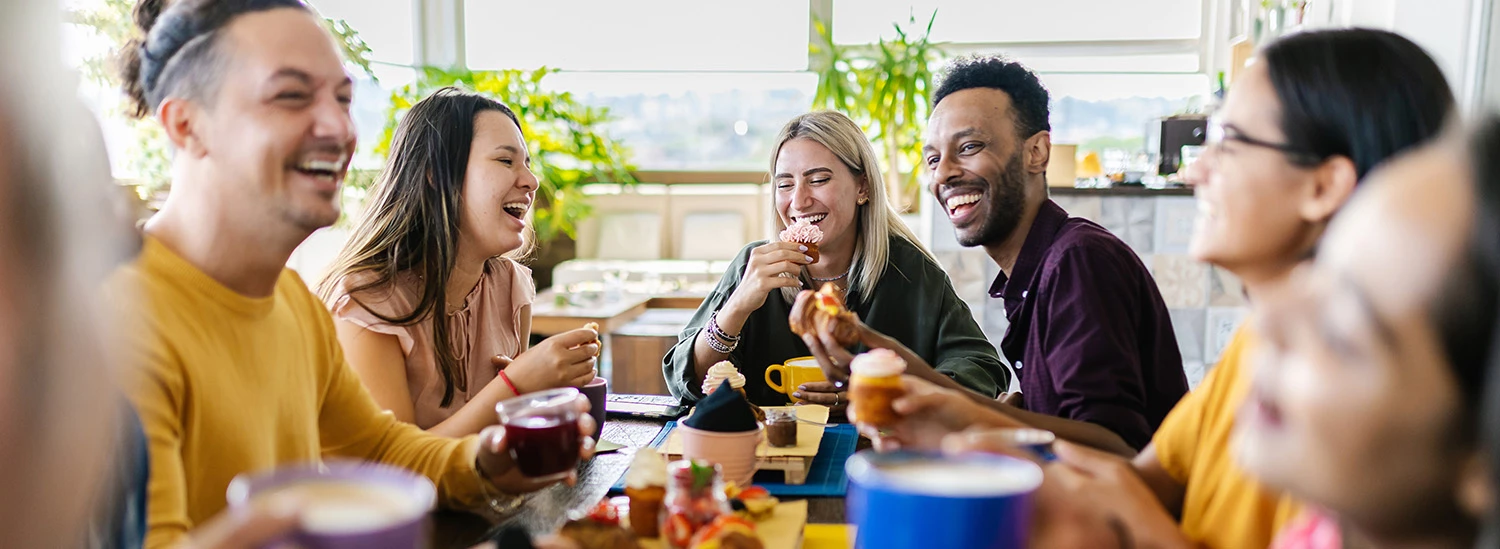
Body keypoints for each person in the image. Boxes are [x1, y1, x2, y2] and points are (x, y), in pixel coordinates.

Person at [849, 29, 1458, 548]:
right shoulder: (1250, 353)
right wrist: (972, 431)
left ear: (1323, 186)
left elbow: (1120, 473)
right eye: (932, 156)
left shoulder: (1368, 416)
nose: (1194, 169)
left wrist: (975, 427)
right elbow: (1134, 480)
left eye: (1230, 142)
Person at [109, 1, 593, 546]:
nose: (338, 127)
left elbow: (383, 450)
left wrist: (485, 462)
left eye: (343, 99)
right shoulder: (124, 325)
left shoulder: (291, 302)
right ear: (187, 124)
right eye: (291, 95)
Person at [808, 56, 1187, 454]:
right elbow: (1060, 425)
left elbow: (1117, 452)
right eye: (933, 159)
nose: (943, 174)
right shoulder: (1037, 271)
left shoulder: (1078, 263)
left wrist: (987, 421)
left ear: (1037, 153)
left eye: (969, 147)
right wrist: (868, 342)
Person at [662, 110, 1008, 408]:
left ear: (863, 188)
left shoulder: (910, 269)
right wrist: (736, 308)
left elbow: (981, 368)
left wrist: (882, 393)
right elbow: (686, 381)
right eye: (785, 185)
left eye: (818, 180)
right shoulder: (752, 266)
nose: (798, 201)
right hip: (767, 458)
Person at [319, 87, 600, 437]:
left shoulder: (510, 286)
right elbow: (395, 470)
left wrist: (543, 397)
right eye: (505, 160)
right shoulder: (369, 300)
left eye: (527, 164)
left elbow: (500, 439)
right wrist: (516, 386)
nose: (531, 181)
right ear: (436, 175)